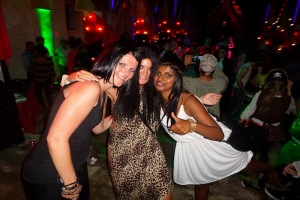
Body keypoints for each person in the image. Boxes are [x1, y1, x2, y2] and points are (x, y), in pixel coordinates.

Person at [21, 43, 140, 200]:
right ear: (107, 61)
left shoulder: (102, 91)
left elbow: (97, 128)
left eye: (132, 70)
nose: (127, 73)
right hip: (49, 171)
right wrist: (71, 184)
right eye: (122, 64)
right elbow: (55, 139)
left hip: (73, 165)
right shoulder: (90, 88)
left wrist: (120, 113)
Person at [153, 57, 279, 200]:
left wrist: (191, 125)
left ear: (177, 79)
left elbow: (218, 134)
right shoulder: (157, 99)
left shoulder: (187, 99)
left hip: (213, 142)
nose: (160, 78)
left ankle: (269, 168)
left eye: (168, 75)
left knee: (246, 168)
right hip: (191, 147)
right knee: (201, 183)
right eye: (157, 73)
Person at [63, 46, 172, 199]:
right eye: (141, 67)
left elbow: (176, 91)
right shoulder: (117, 88)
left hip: (151, 154)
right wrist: (70, 77)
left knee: (164, 193)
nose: (146, 73)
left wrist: (199, 101)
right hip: (123, 157)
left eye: (150, 68)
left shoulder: (153, 91)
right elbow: (94, 79)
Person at [239, 69, 296, 162]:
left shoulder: (261, 94)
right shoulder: (289, 99)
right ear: (284, 84)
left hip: (255, 127)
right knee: (264, 154)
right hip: (271, 131)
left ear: (269, 82)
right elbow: (293, 111)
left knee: (249, 151)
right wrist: (289, 89)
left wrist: (239, 123)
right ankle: (261, 173)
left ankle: (247, 171)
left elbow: (249, 110)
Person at [29, 45, 56, 110]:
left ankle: (51, 107)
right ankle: (43, 107)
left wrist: (53, 81)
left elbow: (52, 71)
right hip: (37, 79)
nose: (33, 52)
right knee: (38, 94)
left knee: (48, 94)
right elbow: (31, 70)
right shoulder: (33, 59)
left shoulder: (48, 59)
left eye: (35, 51)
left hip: (46, 79)